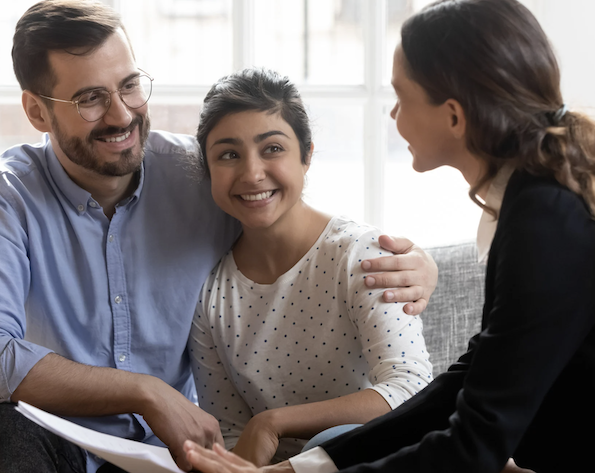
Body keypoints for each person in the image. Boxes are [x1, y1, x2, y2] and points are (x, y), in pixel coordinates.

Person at [183, 0, 595, 472]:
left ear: (453, 115)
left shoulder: (547, 215)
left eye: (402, 97)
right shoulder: (541, 194)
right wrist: (315, 463)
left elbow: (476, 440)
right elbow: (469, 379)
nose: (394, 114)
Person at [0, 2, 438, 472]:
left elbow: (288, 216)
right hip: (61, 447)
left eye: (129, 85)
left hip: (177, 457)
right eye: (90, 99)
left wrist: (416, 262)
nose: (122, 115)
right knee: (2, 427)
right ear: (37, 112)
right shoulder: (1, 198)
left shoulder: (201, 177)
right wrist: (145, 392)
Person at [186, 68, 434, 467]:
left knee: (336, 436)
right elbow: (231, 433)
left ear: (307, 156)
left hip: (372, 459)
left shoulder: (359, 255)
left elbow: (411, 388)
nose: (252, 173)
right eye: (228, 154)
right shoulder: (210, 294)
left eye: (272, 148)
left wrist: (273, 423)